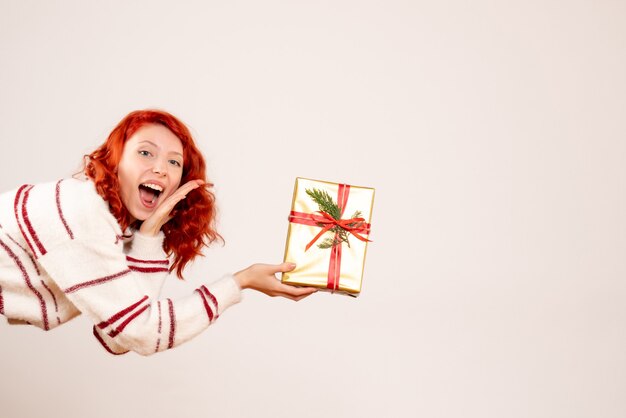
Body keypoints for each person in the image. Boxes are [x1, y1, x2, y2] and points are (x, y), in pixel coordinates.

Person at [0, 109, 316, 355]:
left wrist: (149, 236)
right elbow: (140, 333)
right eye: (145, 153)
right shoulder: (80, 211)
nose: (161, 169)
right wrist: (240, 282)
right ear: (114, 161)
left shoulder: (115, 229)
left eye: (174, 162)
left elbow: (118, 339)